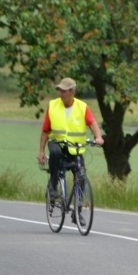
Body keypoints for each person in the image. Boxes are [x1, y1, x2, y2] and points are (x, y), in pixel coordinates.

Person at [37, 77, 104, 223]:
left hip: (75, 147)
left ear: (72, 91)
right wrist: (42, 151)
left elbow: (92, 123)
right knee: (54, 153)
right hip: (57, 143)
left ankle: (77, 212)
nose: (60, 93)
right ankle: (53, 187)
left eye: (64, 90)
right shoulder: (53, 105)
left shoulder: (82, 106)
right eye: (59, 90)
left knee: (80, 175)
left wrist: (98, 137)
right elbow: (45, 131)